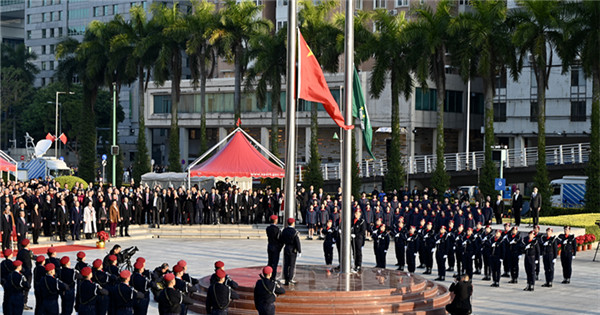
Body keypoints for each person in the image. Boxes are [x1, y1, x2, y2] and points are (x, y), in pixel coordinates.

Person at [280, 218, 301, 285]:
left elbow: (282, 239)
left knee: (286, 264)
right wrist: (299, 251)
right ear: (293, 223)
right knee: (292, 265)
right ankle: (290, 278)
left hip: (286, 248)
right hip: (292, 249)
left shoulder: (284, 230)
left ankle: (286, 278)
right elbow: (297, 242)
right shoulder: (295, 232)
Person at [16, 239, 34, 310]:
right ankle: (24, 303)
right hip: (26, 273)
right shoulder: (26, 253)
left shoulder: (20, 252)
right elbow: (27, 264)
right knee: (26, 288)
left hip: (21, 272)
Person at [265, 215, 283, 280]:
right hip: (276, 247)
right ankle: (273, 277)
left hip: (270, 246)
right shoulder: (277, 229)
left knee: (270, 262)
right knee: (274, 263)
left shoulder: (268, 228)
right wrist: (280, 247)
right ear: (276, 220)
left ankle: (267, 275)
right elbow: (280, 239)